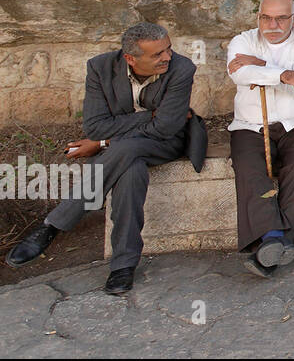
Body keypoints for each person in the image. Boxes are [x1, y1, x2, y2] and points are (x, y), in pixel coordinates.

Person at [4, 22, 198, 294]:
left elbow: (166, 127)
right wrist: (147, 116)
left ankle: (53, 224)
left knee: (125, 149)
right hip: (125, 151)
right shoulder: (100, 67)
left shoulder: (182, 68)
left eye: (168, 49)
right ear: (130, 58)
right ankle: (123, 266)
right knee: (130, 171)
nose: (167, 57)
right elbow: (94, 126)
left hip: (165, 144)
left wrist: (105, 141)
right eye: (157, 54)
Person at [226, 0, 294, 277]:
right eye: (266, 17)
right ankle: (272, 238)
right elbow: (239, 75)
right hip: (249, 124)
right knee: (249, 168)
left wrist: (260, 66)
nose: (272, 24)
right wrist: (283, 75)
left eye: (281, 18)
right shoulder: (242, 41)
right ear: (258, 17)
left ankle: (274, 246)